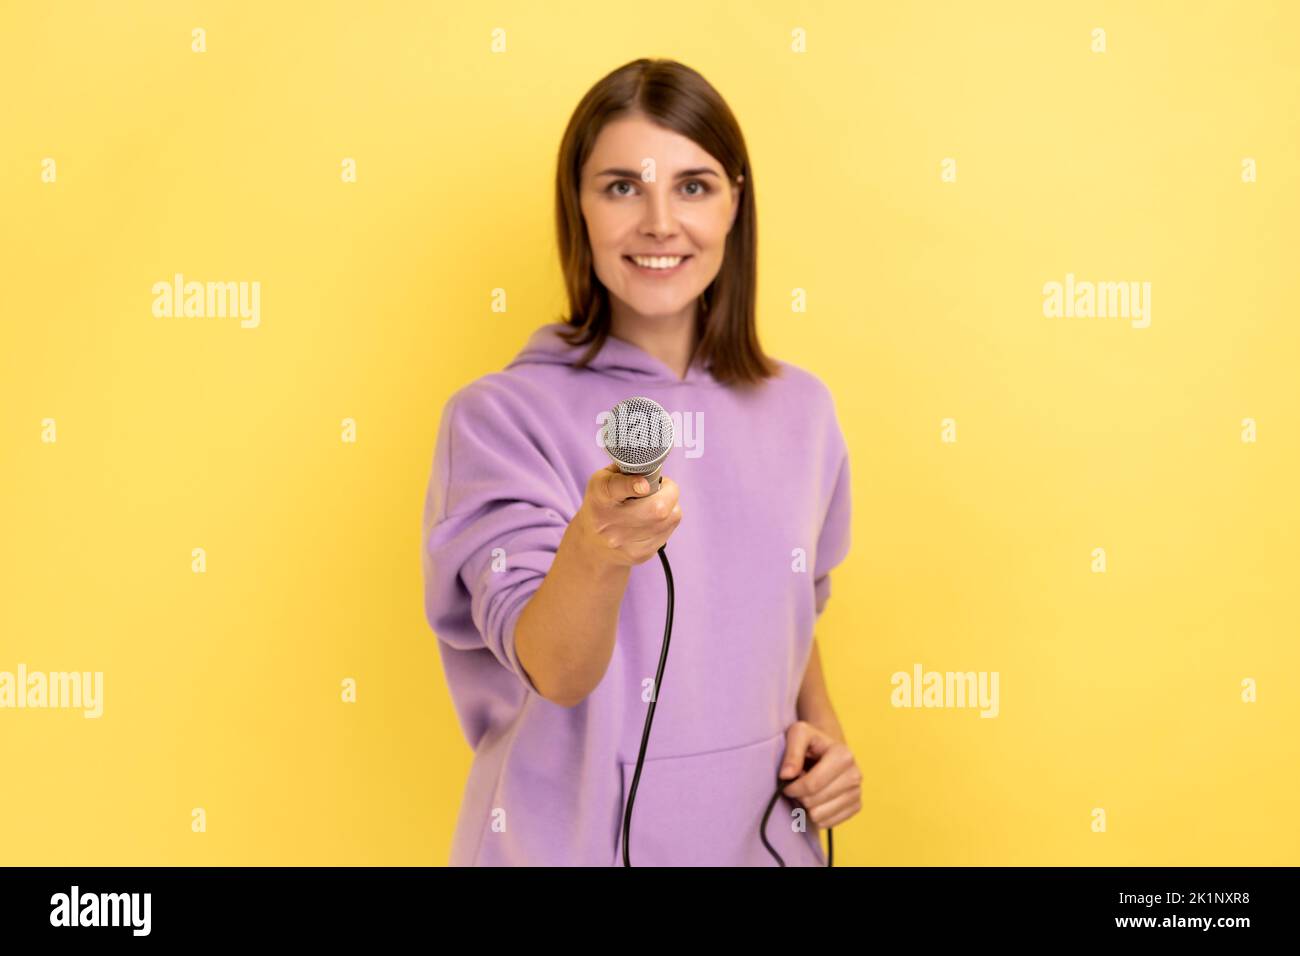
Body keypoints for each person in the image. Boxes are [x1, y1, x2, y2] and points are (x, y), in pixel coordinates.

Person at [422, 58, 860, 866]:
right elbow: (553, 669)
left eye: (692, 185)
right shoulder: (498, 419)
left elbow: (792, 607)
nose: (660, 222)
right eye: (622, 186)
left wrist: (824, 735)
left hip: (763, 844)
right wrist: (597, 548)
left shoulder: (803, 410)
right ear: (578, 210)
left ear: (736, 204)